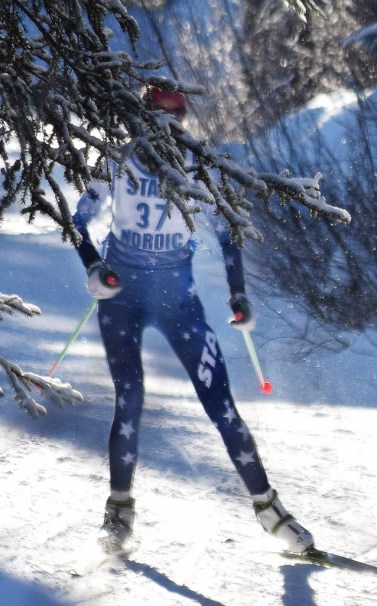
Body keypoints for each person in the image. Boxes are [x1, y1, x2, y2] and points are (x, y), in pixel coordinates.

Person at [71, 86, 315, 556]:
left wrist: (238, 293)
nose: (165, 130)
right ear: (139, 119)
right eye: (156, 119)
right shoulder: (115, 159)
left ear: (185, 122)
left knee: (219, 403)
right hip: (122, 297)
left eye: (175, 121)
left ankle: (269, 509)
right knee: (130, 399)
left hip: (177, 300)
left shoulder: (198, 165)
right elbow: (76, 219)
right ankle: (118, 511)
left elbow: (228, 233)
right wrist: (93, 266)